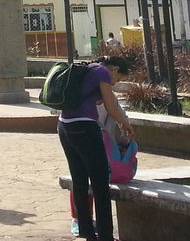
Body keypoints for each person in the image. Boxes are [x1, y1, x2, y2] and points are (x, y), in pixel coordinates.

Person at [58, 55, 134, 241]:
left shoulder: (86, 70)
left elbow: (94, 100)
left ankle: (86, 230)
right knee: (100, 185)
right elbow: (111, 108)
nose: (115, 83)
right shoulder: (102, 73)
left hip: (64, 126)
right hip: (85, 128)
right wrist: (126, 125)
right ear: (114, 69)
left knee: (80, 181)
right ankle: (106, 236)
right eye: (118, 79)